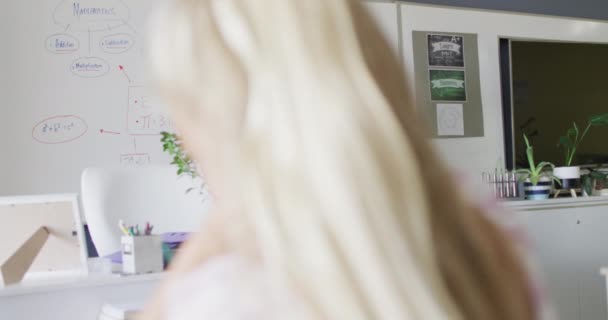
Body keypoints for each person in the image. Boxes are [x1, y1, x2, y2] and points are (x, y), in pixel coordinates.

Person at [140, 1, 539, 319]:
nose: (183, 139)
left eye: (182, 111)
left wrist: (222, 220)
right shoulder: (486, 240)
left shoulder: (227, 296)